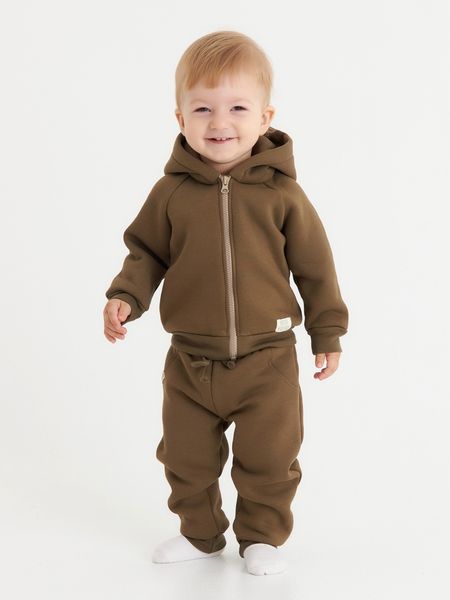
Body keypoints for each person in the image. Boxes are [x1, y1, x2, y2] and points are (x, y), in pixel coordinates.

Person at [103, 30, 349, 576]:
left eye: (237, 107)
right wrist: (125, 295)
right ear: (180, 118)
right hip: (190, 360)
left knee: (269, 458)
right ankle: (200, 533)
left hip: (268, 359)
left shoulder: (282, 195)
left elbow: (315, 267)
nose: (220, 122)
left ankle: (261, 537)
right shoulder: (171, 193)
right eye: (203, 109)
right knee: (184, 457)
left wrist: (327, 331)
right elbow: (146, 252)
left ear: (265, 117)